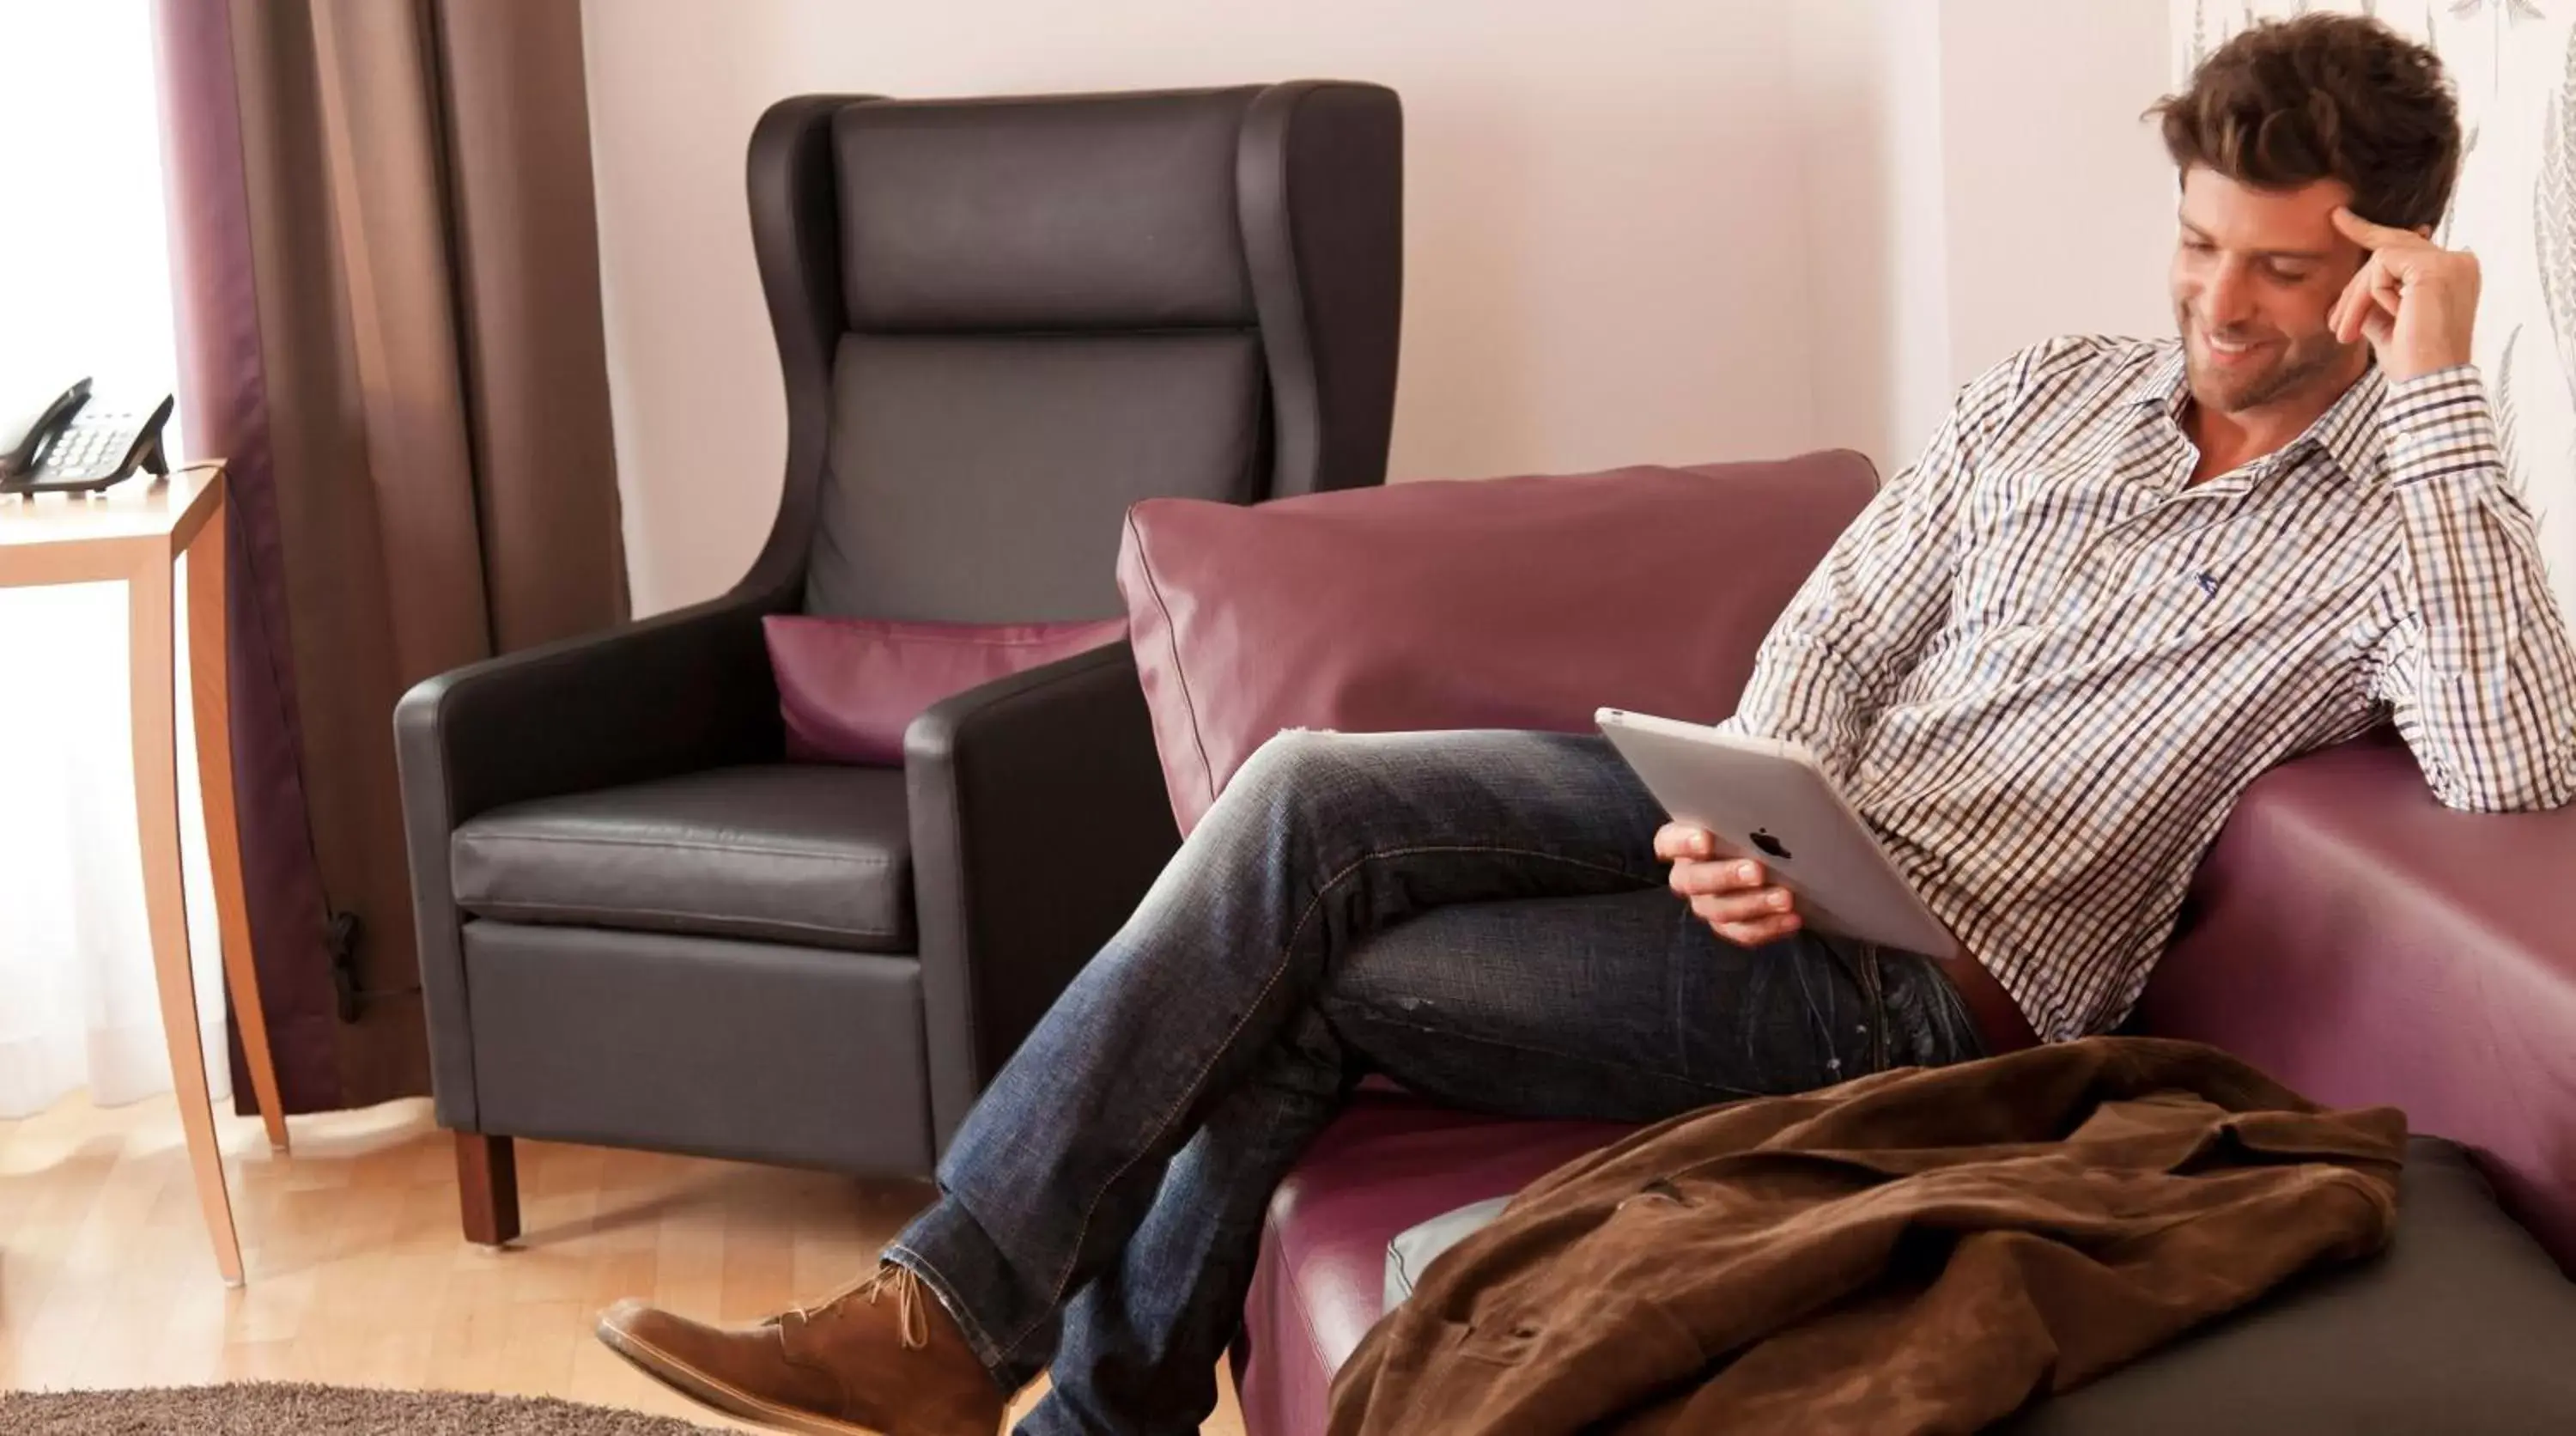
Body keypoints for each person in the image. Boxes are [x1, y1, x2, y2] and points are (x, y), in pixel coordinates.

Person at [594, 14, 2576, 1435]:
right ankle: (950, 1307)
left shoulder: (2414, 511)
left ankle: (1033, 1389)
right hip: (1789, 822)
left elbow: (2510, 754)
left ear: (2389, 271)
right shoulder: (2051, 392)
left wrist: (2443, 395)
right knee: (1298, 800)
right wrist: (1753, 804)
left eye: (2281, 269)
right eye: (2197, 243)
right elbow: (1845, 617)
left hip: (1920, 986)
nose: (2215, 301)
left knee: (1325, 982)